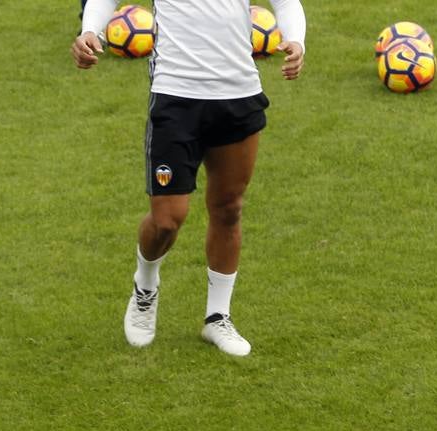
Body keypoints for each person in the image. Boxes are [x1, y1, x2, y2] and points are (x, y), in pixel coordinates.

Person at [73, 0, 306, 356]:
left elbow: (286, 2)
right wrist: (91, 30)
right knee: (167, 220)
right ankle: (145, 286)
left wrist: (296, 40)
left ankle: (217, 317)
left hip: (238, 94)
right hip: (175, 98)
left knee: (229, 208)